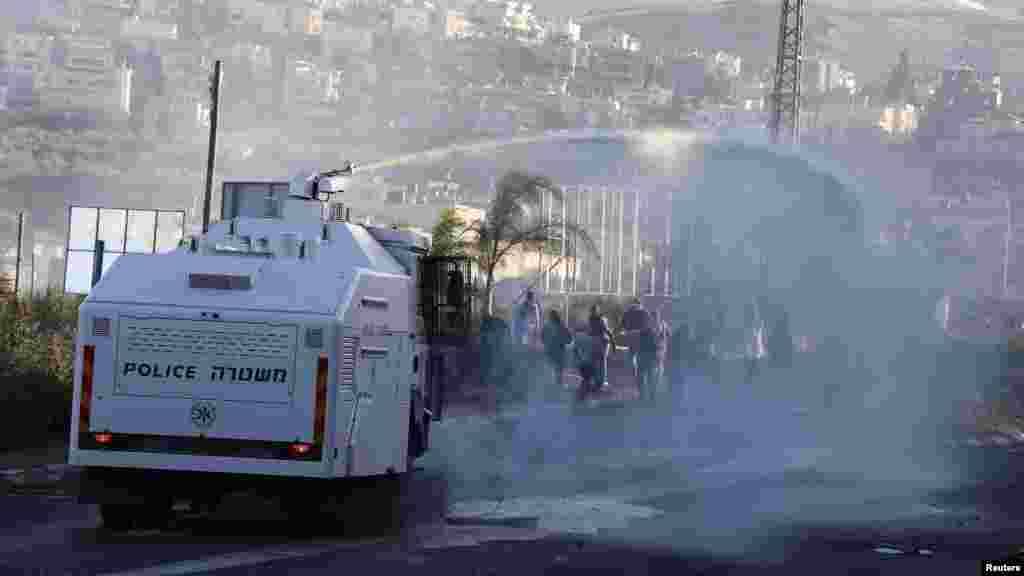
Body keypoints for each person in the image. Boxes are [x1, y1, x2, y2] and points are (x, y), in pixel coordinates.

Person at [541, 308, 572, 400]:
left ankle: (549, 392)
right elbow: (569, 339)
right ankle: (557, 391)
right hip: (559, 352)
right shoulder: (562, 326)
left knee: (550, 371)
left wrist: (548, 343)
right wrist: (562, 341)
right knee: (558, 372)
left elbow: (542, 338)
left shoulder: (547, 326)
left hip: (549, 352)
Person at [588, 304, 614, 390]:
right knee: (597, 362)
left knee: (601, 361)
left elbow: (606, 330)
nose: (592, 312)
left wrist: (613, 342)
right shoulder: (593, 319)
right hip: (597, 341)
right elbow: (592, 331)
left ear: (597, 311)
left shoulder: (600, 319)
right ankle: (598, 381)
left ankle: (601, 381)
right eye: (592, 311)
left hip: (602, 341)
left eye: (593, 310)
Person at [572, 324, 596, 405]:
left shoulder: (577, 339)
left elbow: (575, 350)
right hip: (589, 362)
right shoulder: (591, 339)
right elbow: (594, 352)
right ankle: (581, 397)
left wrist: (577, 360)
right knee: (587, 380)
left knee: (585, 379)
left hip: (581, 363)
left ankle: (581, 396)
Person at [744, 300, 766, 385]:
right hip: (754, 352)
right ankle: (751, 378)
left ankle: (752, 377)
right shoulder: (753, 326)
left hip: (756, 352)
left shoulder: (757, 325)